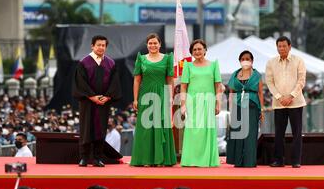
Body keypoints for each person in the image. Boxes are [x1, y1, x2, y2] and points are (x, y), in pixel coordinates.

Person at [72, 35, 122, 167]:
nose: (101, 47)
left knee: (100, 129)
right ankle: (84, 157)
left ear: (106, 47)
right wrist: (92, 97)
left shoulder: (111, 63)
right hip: (87, 102)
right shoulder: (84, 62)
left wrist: (108, 97)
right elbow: (80, 83)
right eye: (98, 45)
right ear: (92, 46)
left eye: (103, 45)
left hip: (103, 102)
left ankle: (97, 158)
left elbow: (114, 83)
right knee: (86, 129)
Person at [130, 33, 177, 167]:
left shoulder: (167, 58)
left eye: (155, 43)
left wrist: (170, 97)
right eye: (150, 43)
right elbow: (137, 80)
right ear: (147, 45)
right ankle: (145, 159)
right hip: (145, 95)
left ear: (160, 44)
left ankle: (162, 159)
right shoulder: (142, 59)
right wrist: (135, 99)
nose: (153, 45)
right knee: (146, 127)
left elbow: (170, 80)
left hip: (162, 94)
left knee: (161, 124)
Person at [265, 36, 306, 168]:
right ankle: (279, 160)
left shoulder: (298, 60)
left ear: (289, 46)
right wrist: (279, 97)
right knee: (279, 133)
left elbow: (301, 81)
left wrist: (291, 96)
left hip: (296, 102)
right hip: (279, 104)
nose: (281, 48)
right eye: (279, 46)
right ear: (277, 47)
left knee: (297, 133)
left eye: (284, 46)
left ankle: (296, 161)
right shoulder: (271, 62)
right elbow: (269, 82)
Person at [180, 39, 222, 167]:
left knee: (207, 131)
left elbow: (218, 86)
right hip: (192, 102)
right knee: (192, 132)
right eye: (194, 50)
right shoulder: (187, 66)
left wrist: (218, 103)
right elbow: (183, 87)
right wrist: (182, 105)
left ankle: (207, 160)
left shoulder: (214, 65)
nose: (197, 52)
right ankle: (191, 160)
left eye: (199, 49)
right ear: (191, 53)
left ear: (205, 50)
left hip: (209, 102)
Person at [226, 50, 265, 167]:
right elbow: (231, 92)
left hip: (252, 105)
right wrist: (231, 109)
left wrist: (261, 110)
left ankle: (249, 161)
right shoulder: (235, 74)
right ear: (239, 61)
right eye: (243, 59)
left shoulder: (257, 75)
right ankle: (238, 161)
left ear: (252, 61)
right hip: (237, 105)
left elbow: (260, 93)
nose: (245, 61)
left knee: (250, 133)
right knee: (237, 133)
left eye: (248, 59)